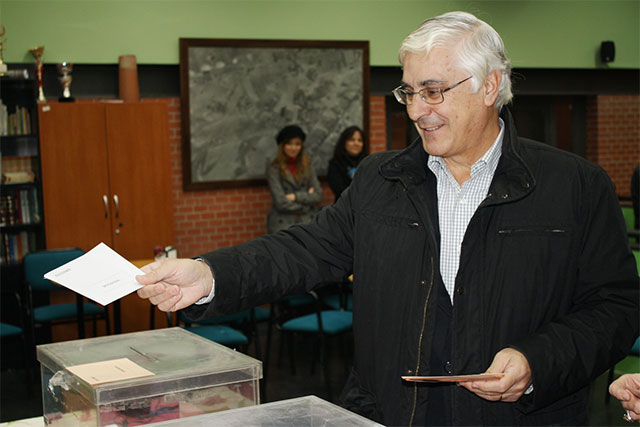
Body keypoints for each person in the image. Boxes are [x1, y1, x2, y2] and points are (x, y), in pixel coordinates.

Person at [136, 11, 639, 426]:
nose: (418, 110)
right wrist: (208, 275)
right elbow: (303, 249)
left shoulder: (574, 187)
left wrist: (537, 361)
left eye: (434, 90)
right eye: (409, 93)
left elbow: (614, 309)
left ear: (490, 86)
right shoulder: (382, 180)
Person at [265, 125, 322, 234]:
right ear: (282, 145)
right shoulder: (273, 168)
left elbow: (318, 195)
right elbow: (281, 202)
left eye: (297, 144)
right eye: (289, 144)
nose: (293, 148)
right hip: (283, 223)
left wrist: (295, 196)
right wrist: (307, 201)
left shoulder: (308, 165)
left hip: (307, 221)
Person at [327, 126, 368, 202]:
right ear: (344, 142)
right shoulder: (335, 164)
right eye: (352, 140)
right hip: (344, 207)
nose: (356, 143)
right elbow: (339, 190)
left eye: (360, 140)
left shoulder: (368, 163)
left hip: (367, 206)